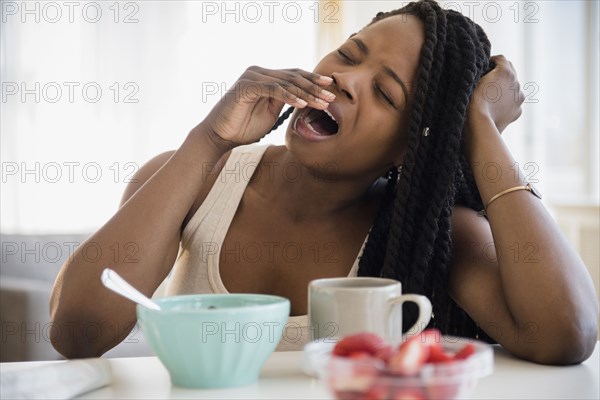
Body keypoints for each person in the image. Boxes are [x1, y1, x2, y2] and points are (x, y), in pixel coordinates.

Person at [50, 0, 598, 364]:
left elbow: (566, 332)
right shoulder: (197, 175)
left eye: (385, 94)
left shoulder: (438, 232)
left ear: (414, 145)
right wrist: (208, 140)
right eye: (349, 53)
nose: (345, 79)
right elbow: (76, 333)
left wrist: (479, 129)